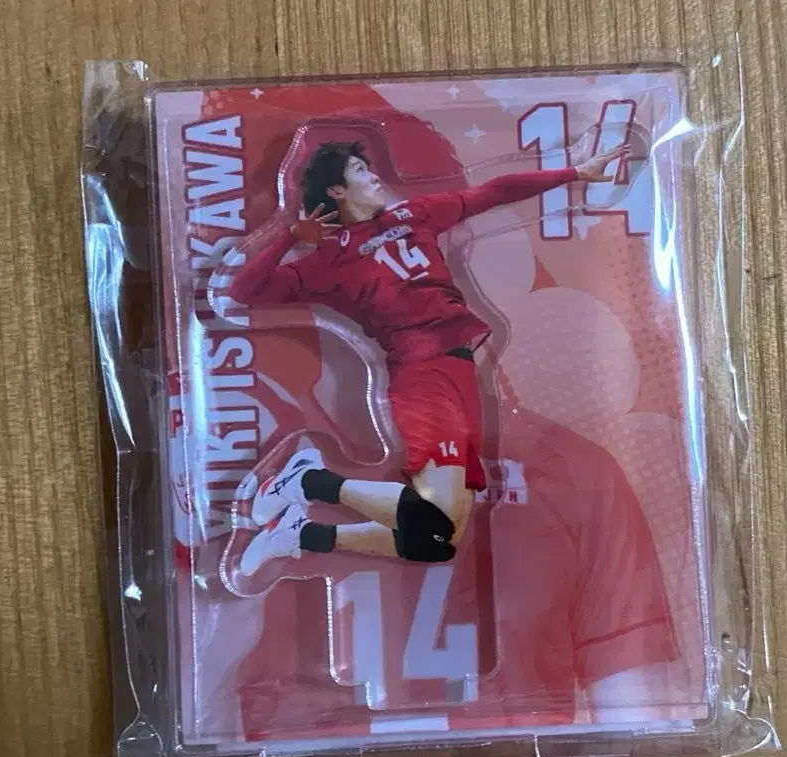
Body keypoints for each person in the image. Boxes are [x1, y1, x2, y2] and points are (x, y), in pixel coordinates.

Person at [210, 139, 629, 573]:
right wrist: (290, 237)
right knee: (435, 521)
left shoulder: (415, 214)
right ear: (336, 190)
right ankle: (308, 481)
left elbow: (493, 192)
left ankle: (299, 534)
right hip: (421, 374)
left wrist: (575, 173)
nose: (375, 176)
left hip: (460, 369)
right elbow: (243, 291)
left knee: (437, 540)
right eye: (360, 170)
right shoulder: (328, 260)